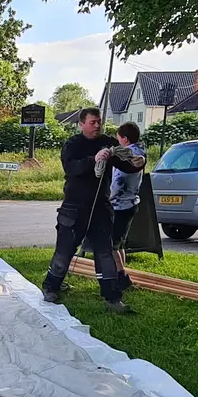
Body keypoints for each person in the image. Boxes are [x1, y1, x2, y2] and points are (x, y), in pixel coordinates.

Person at [41, 108, 135, 313]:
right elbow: (71, 168)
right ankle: (51, 287)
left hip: (101, 207)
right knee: (64, 252)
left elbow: (127, 165)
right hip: (73, 208)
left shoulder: (109, 143)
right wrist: (94, 159)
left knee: (104, 253)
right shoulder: (73, 144)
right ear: (81, 124)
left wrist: (138, 161)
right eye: (92, 122)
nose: (97, 126)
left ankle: (112, 298)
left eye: (99, 122)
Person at [108, 122, 148, 276]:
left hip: (119, 204)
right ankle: (121, 271)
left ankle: (119, 275)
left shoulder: (125, 156)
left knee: (111, 245)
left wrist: (108, 198)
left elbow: (118, 182)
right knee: (120, 243)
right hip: (132, 201)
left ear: (124, 139)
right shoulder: (140, 152)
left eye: (119, 138)